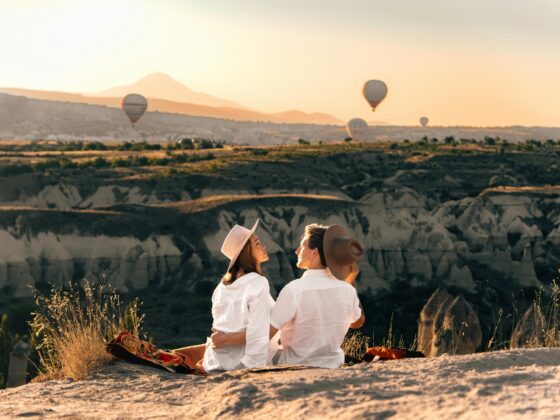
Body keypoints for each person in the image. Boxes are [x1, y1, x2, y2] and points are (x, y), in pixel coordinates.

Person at [212, 223, 365, 369]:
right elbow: (357, 322)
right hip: (334, 365)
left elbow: (265, 334)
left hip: (296, 366)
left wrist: (227, 339)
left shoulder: (293, 290)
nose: (297, 251)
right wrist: (350, 281)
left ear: (315, 252)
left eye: (302, 246)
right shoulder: (347, 289)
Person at [173, 219, 273, 373]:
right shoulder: (258, 283)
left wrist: (225, 339)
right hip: (242, 363)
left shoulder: (221, 287)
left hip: (215, 362)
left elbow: (219, 329)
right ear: (246, 251)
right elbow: (257, 333)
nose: (263, 246)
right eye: (257, 243)